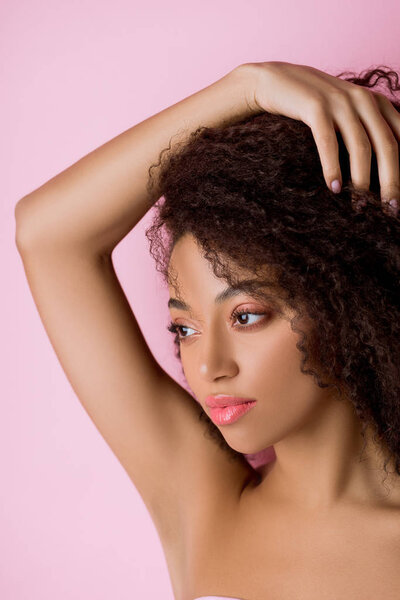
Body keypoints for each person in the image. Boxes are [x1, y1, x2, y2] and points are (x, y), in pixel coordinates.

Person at [15, 61, 400, 600]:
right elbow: (47, 233)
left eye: (245, 316)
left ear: (349, 302)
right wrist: (247, 88)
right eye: (184, 329)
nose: (206, 366)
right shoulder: (200, 501)